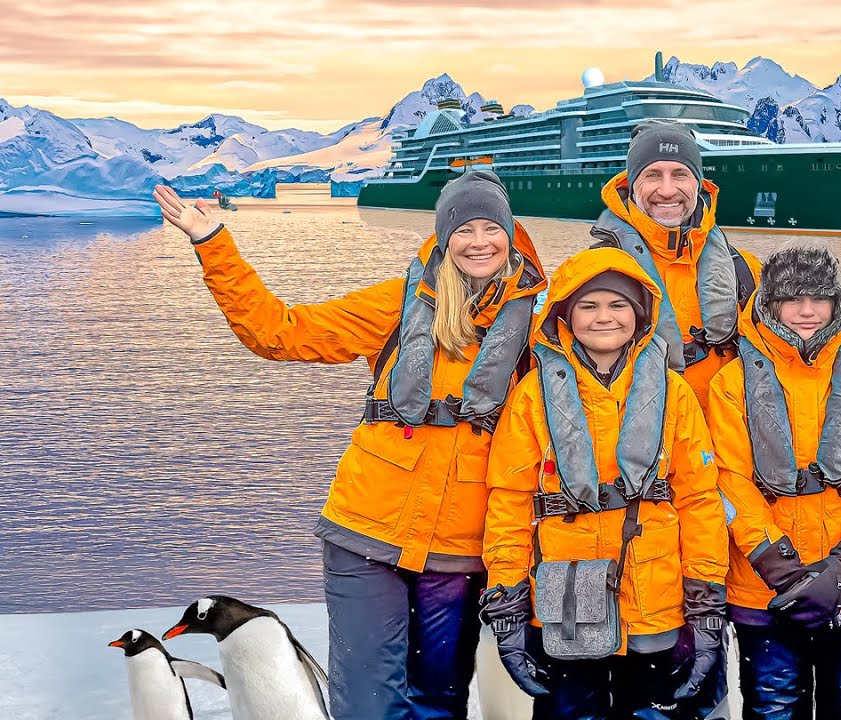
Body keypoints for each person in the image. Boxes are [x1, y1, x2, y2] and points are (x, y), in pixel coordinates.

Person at [152, 171, 548, 719]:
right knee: (368, 704)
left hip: (463, 545)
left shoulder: (543, 324)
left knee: (438, 702)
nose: (479, 241)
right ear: (442, 237)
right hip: (366, 534)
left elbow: (610, 360)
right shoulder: (399, 304)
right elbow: (279, 332)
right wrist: (213, 243)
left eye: (491, 228)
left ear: (510, 235)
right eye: (464, 229)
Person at [480, 247, 728, 719]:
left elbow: (700, 499)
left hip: (659, 597)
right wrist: (508, 600)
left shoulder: (675, 393)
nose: (603, 318)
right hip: (565, 602)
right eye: (588, 306)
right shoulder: (533, 395)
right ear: (565, 318)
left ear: (640, 315)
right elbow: (510, 502)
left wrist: (706, 598)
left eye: (618, 305)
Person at [706, 243, 841, 720]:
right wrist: (780, 567)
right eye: (792, 299)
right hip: (766, 591)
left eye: (819, 298)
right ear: (769, 304)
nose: (807, 311)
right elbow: (728, 483)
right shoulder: (730, 383)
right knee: (773, 712)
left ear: (837, 303)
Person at [589, 119, 841, 424]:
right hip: (642, 463)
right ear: (631, 186)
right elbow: (554, 356)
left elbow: (805, 334)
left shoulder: (742, 270)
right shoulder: (593, 272)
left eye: (681, 174)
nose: (668, 190)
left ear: (699, 184)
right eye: (653, 175)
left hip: (731, 457)